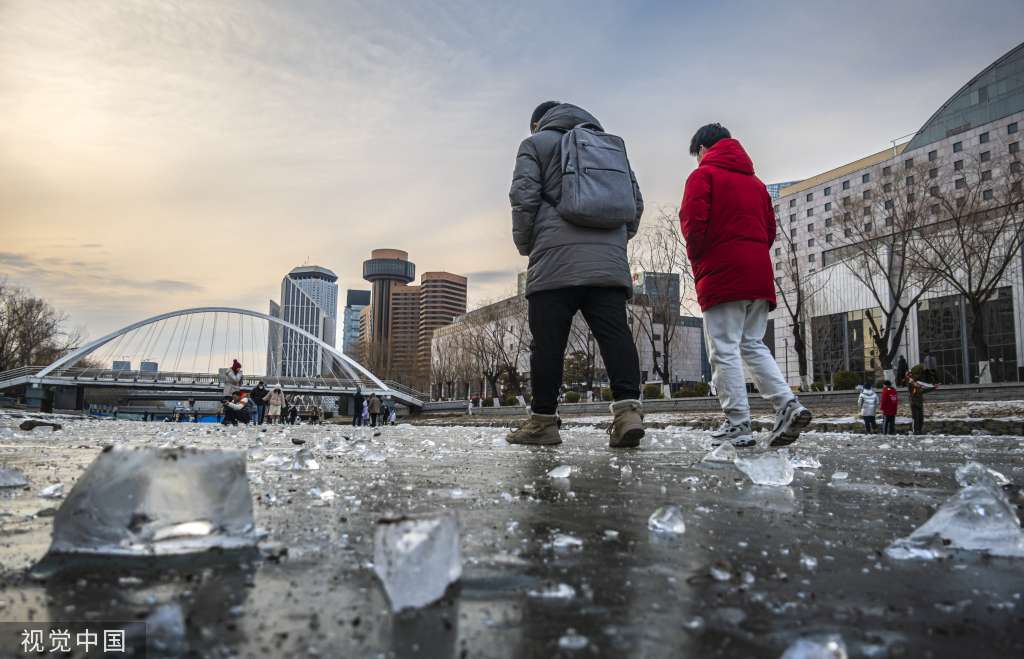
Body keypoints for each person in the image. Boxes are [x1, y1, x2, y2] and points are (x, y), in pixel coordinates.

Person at [505, 101, 646, 448]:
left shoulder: (534, 145)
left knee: (548, 345)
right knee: (615, 335)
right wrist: (612, 241)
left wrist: (528, 244)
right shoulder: (611, 145)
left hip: (554, 259)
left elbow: (524, 200)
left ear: (537, 123)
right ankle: (628, 413)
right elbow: (635, 204)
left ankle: (542, 424)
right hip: (608, 264)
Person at [679, 123, 811, 449]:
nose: (697, 160)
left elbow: (693, 224)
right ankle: (787, 404)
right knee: (752, 344)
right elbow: (769, 231)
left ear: (703, 149)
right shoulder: (758, 184)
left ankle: (738, 424)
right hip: (758, 274)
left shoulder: (704, 175)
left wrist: (700, 260)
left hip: (723, 272)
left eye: (697, 154)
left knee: (723, 348)